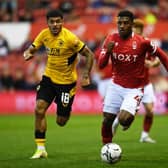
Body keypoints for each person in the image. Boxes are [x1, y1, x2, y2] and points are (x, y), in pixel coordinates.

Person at [23, 9, 94, 159]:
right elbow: (32, 48)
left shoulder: (70, 38)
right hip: (48, 78)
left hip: (67, 84)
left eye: (58, 21)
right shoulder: (44, 34)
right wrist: (28, 53)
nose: (55, 24)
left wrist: (86, 75)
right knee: (39, 109)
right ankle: (40, 148)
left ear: (62, 21)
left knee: (61, 121)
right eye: (52, 22)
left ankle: (65, 110)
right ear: (47, 23)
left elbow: (89, 54)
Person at [98, 10, 168, 145]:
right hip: (115, 85)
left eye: (125, 23)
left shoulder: (143, 42)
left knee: (124, 120)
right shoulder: (110, 39)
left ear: (131, 24)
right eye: (119, 23)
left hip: (135, 89)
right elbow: (101, 65)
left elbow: (161, 55)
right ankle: (107, 148)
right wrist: (108, 52)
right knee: (107, 120)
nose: (122, 26)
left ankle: (135, 122)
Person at [112, 18, 160, 143]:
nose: (135, 32)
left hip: (146, 83)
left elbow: (158, 59)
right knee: (129, 111)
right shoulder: (125, 43)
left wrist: (153, 64)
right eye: (134, 29)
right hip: (132, 85)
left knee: (150, 111)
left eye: (137, 29)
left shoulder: (146, 43)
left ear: (141, 30)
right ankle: (118, 121)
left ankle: (144, 135)